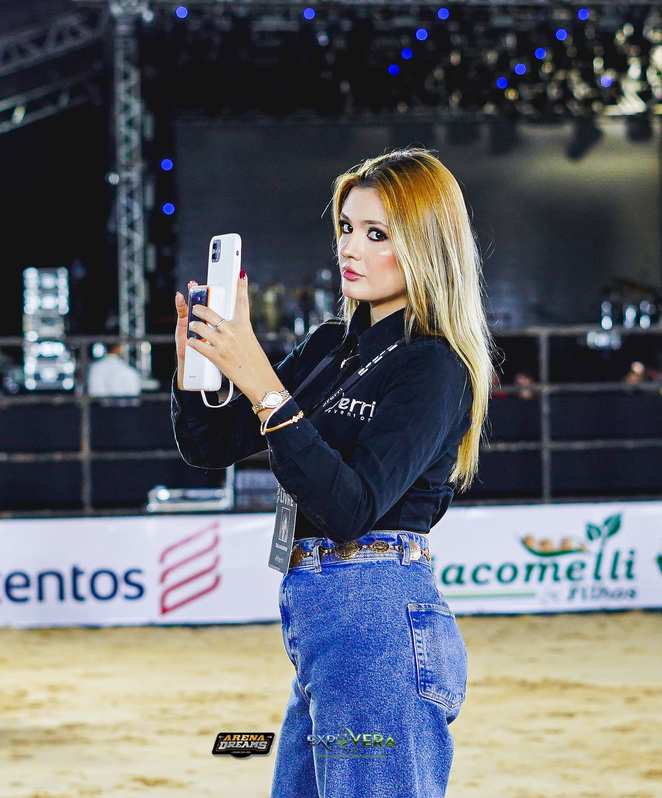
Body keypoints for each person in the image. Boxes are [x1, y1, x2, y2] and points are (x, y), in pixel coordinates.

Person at [171, 149, 493, 797]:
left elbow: (352, 510)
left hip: (378, 621)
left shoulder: (434, 366)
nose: (350, 247)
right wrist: (194, 367)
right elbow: (210, 445)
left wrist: (262, 383)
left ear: (427, 247)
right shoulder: (327, 347)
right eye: (347, 227)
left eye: (377, 234)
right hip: (326, 625)